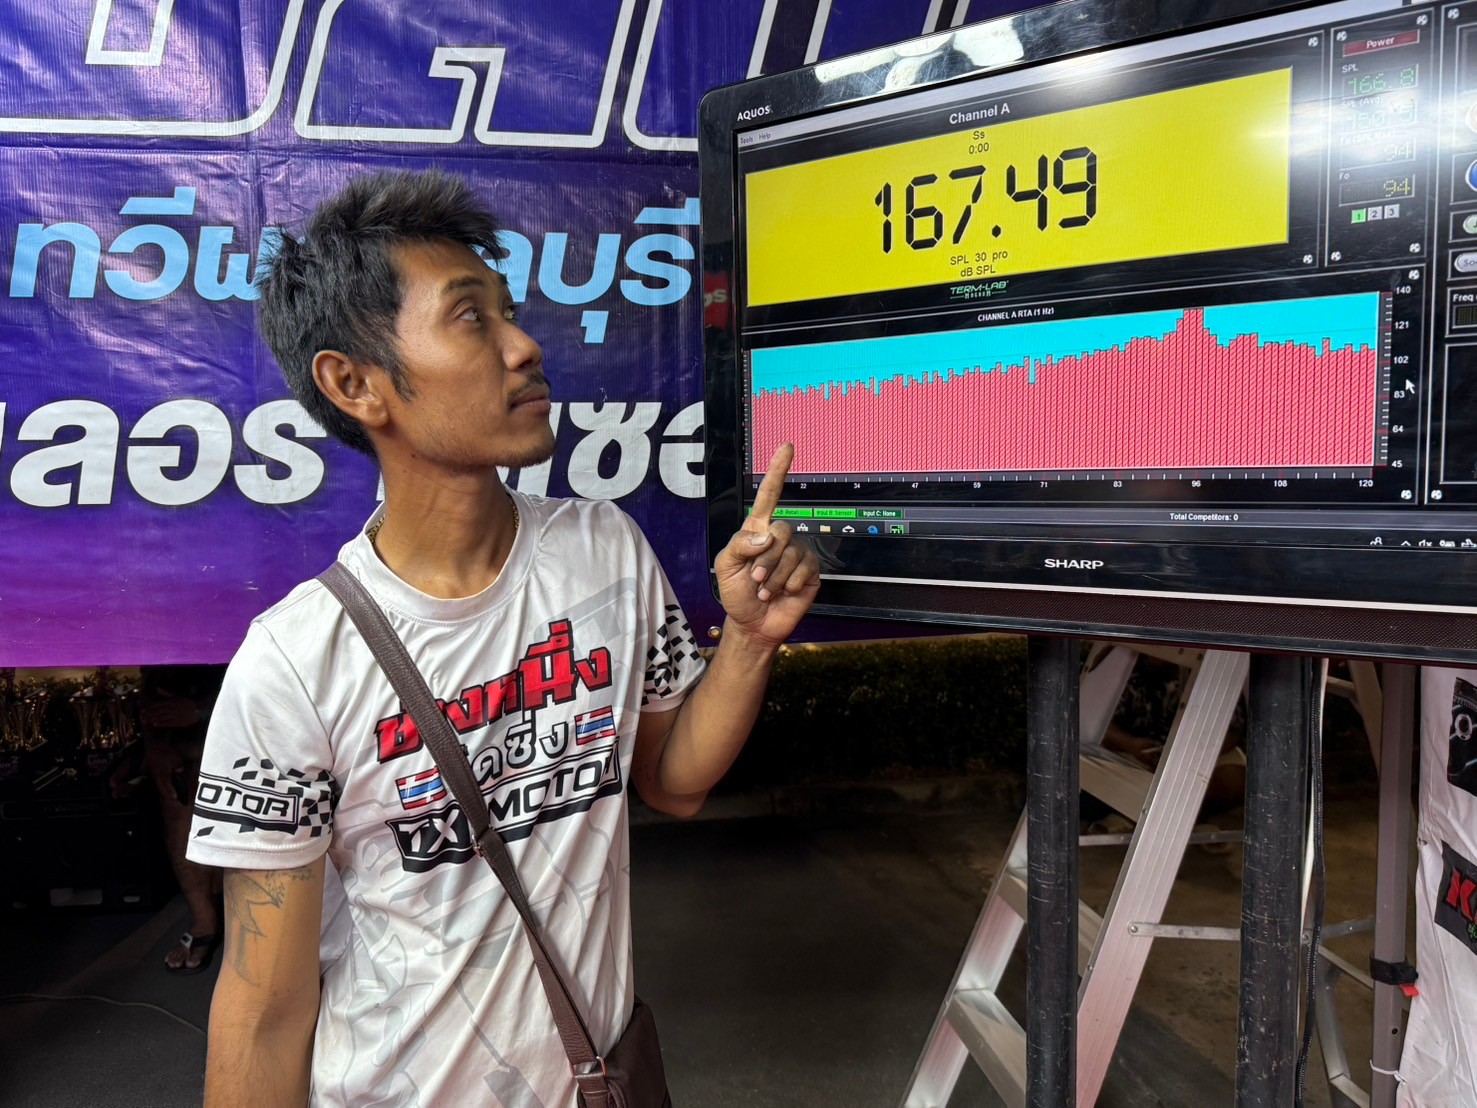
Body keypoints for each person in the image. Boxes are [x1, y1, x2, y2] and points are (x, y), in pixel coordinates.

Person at [184, 169, 819, 1106]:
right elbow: (263, 1009)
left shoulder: (604, 551)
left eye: (509, 313)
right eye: (470, 317)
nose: (524, 346)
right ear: (354, 384)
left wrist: (751, 641)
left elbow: (673, 783)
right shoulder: (294, 664)